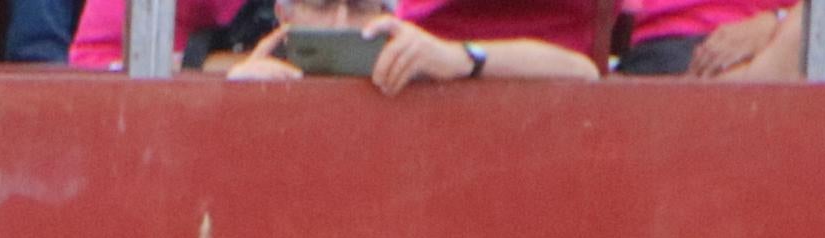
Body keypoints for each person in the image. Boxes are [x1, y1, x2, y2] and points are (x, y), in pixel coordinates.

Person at [220, 0, 603, 80]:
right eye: (321, 6)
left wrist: (460, 58)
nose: (341, 22)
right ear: (284, 14)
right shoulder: (256, 76)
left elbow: (580, 71)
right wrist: (241, 95)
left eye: (358, 6)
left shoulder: (415, 60)